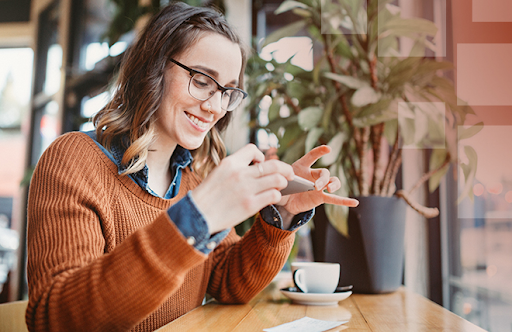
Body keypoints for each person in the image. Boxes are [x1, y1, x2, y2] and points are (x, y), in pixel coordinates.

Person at [25, 2, 359, 331]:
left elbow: (229, 282)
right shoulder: (74, 159)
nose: (215, 107)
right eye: (202, 81)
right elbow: (56, 319)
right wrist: (196, 217)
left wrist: (281, 217)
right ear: (152, 69)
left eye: (227, 92)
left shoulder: (192, 182)